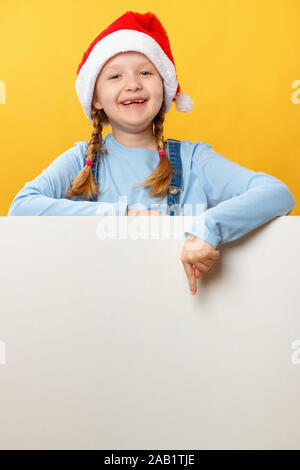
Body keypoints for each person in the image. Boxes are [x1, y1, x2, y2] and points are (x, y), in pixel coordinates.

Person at [8, 11, 296, 295]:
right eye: (115, 76)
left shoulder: (193, 160)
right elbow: (21, 209)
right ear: (95, 98)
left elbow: (278, 193)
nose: (132, 83)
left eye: (145, 72)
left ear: (164, 86)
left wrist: (209, 228)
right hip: (98, 320)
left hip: (185, 321)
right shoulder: (80, 161)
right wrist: (124, 214)